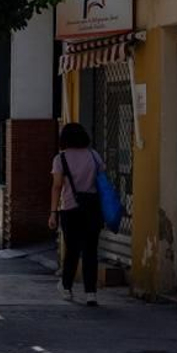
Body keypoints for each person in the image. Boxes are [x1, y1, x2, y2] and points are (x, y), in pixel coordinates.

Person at [49, 122, 104, 306]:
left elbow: (57, 186)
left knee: (72, 250)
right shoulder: (94, 155)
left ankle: (66, 288)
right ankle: (91, 293)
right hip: (93, 209)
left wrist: (53, 212)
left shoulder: (60, 159)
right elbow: (101, 179)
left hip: (70, 210)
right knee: (91, 250)